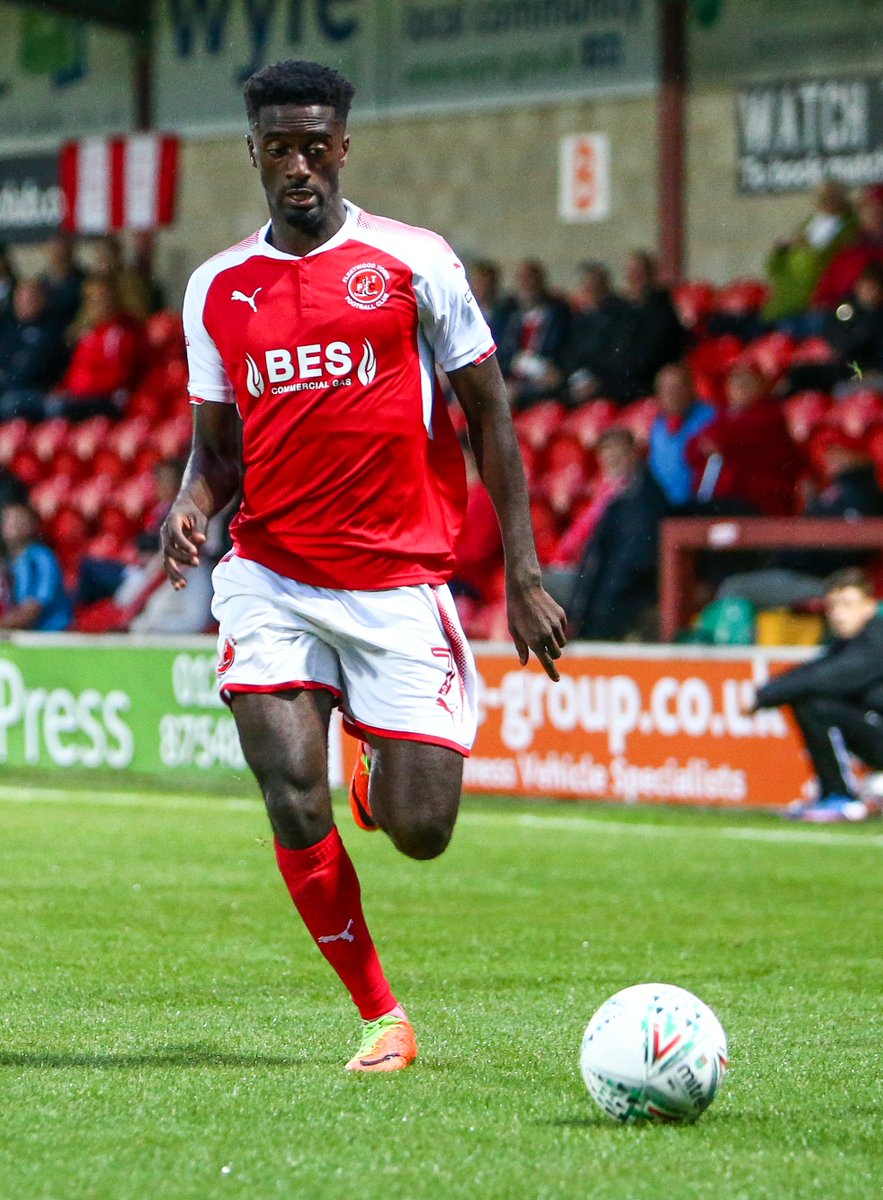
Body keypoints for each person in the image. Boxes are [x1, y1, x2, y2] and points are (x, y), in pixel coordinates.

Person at [161, 60, 565, 1074]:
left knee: (422, 831)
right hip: (270, 574)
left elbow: (490, 417)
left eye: (315, 145)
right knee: (289, 793)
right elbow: (217, 450)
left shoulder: (414, 262)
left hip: (396, 581)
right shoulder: (216, 289)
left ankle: (375, 773)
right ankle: (383, 1016)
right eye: (279, 148)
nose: (298, 165)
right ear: (253, 153)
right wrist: (191, 505)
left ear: (343, 146)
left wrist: (522, 573)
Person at [744, 568, 883, 823]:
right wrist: (766, 692)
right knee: (813, 702)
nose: (839, 614)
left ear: (869, 606)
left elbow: (826, 677)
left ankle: (842, 796)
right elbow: (815, 669)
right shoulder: (846, 643)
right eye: (833, 606)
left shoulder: (877, 640)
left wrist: (763, 697)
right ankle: (844, 793)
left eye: (848, 604)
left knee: (817, 706)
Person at [564, 427, 669, 639]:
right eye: (606, 453)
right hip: (600, 586)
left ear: (633, 453)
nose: (611, 459)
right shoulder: (609, 497)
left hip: (623, 597)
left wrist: (597, 604)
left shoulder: (644, 498)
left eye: (617, 452)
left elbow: (635, 560)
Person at [686, 363, 801, 517]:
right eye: (735, 381)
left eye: (747, 382)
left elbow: (735, 439)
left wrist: (713, 443)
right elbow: (692, 448)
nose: (740, 387)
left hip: (757, 502)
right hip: (721, 498)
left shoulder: (770, 415)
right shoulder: (721, 416)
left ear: (761, 386)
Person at [47, 274, 146, 421]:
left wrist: (81, 391)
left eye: (100, 298)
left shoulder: (123, 333)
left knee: (58, 408)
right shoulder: (89, 333)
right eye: (90, 299)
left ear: (113, 299)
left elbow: (121, 377)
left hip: (106, 400)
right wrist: (63, 389)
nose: (94, 304)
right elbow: (76, 369)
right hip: (81, 397)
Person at [761, 179, 857, 328]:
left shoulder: (850, 227)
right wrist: (781, 249)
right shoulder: (810, 223)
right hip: (787, 297)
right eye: (820, 196)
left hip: (817, 301)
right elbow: (775, 264)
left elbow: (831, 259)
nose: (823, 200)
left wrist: (808, 247)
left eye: (830, 196)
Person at [617, 249, 688, 401]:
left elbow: (651, 353)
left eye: (640, 272)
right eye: (632, 272)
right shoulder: (621, 309)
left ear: (651, 275)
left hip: (645, 384)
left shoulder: (662, 309)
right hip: (620, 380)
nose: (635, 277)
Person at [647, 361, 716, 508]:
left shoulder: (710, 418)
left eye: (678, 387)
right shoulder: (657, 427)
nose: (672, 395)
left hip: (700, 507)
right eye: (666, 389)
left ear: (691, 389)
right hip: (664, 508)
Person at [0, 279, 69, 421]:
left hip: (38, 392)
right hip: (8, 388)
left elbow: (31, 371)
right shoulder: (7, 329)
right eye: (21, 298)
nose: (25, 303)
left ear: (43, 299)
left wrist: (6, 375)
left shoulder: (52, 331)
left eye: (31, 298)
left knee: (10, 403)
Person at [0, 503, 71, 632]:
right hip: (20, 632)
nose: (14, 524)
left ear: (32, 525)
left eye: (20, 520)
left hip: (50, 633)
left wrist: (4, 623)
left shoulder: (42, 558)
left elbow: (35, 607)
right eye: (8, 520)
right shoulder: (7, 561)